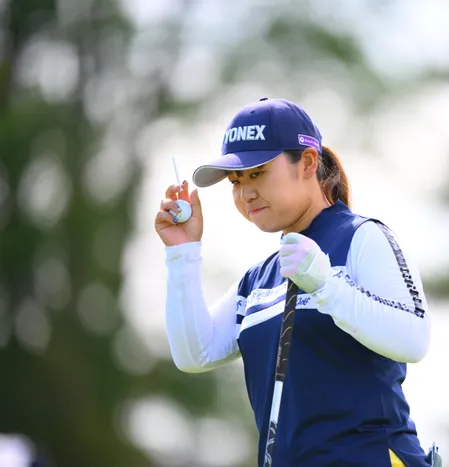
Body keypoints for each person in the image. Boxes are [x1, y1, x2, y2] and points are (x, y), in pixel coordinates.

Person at [155, 97, 433, 467]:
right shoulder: (259, 279)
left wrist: (326, 286)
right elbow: (195, 354)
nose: (245, 193)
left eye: (257, 173)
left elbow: (414, 338)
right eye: (236, 181)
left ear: (307, 163)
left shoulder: (363, 237)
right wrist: (183, 254)